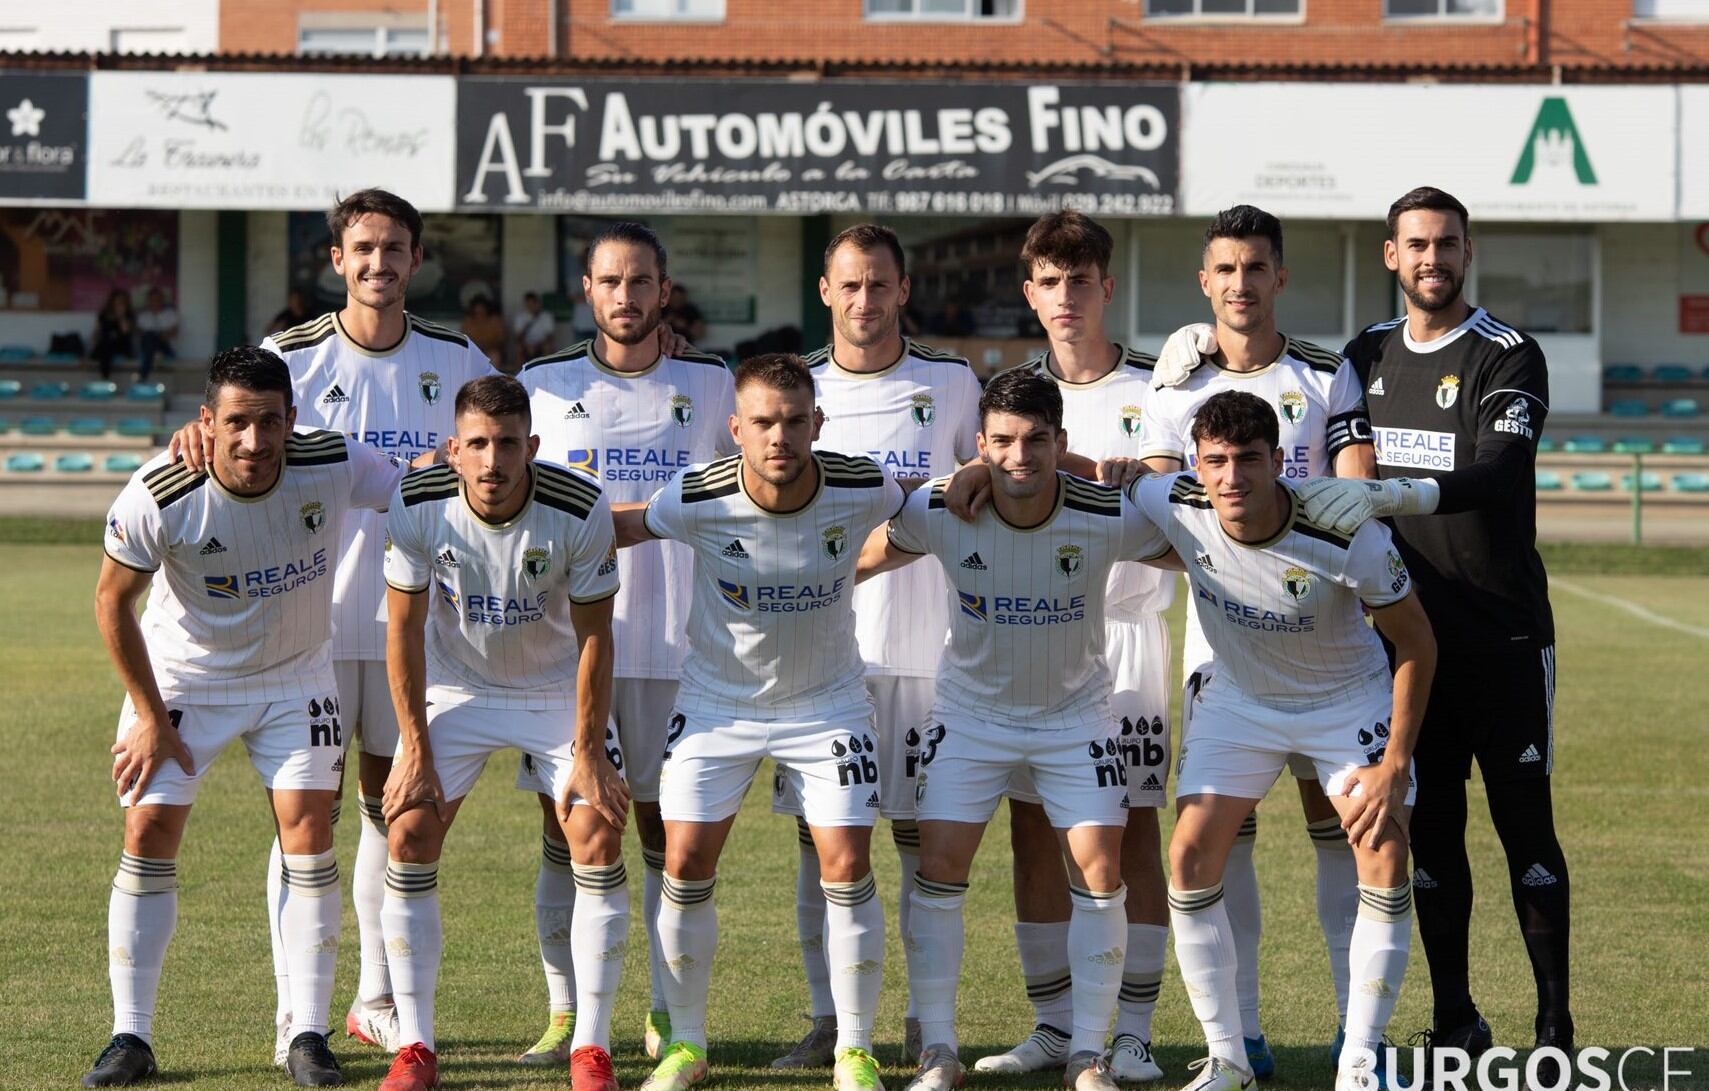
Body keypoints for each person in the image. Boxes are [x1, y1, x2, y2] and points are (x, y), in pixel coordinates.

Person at [175, 188, 496, 1064]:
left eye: (394, 248)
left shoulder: (456, 354)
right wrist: (190, 433)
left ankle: (373, 998)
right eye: (363, 248)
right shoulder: (292, 355)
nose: (378, 263)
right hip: (304, 626)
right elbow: (228, 420)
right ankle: (296, 1015)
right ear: (337, 259)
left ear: (415, 260)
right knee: (303, 822)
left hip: (412, 624)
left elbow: (494, 446)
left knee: (391, 813)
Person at [1297, 187, 1573, 1078]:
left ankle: (1554, 1031)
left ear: (1467, 251)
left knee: (1525, 830)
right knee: (1434, 833)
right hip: (1410, 643)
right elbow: (1317, 430)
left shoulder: (1507, 353)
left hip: (1503, 639)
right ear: (1390, 255)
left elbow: (1499, 470)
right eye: (1415, 244)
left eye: (1446, 243)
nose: (1431, 258)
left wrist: (1397, 492)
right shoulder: (1363, 353)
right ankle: (1455, 1019)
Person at [82, 346, 409, 1089]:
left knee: (311, 831)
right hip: (185, 680)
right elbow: (111, 601)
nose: (254, 442)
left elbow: (415, 490)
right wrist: (147, 713)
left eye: (269, 422)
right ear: (206, 422)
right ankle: (129, 1035)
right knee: (147, 830)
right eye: (236, 423)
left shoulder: (331, 461)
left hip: (296, 679)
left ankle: (307, 1033)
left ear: (294, 420)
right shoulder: (160, 491)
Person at [857, 368, 1176, 1091]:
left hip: (1075, 719)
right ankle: (939, 1052)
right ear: (979, 445)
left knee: (1101, 872)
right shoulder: (941, 507)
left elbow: (1208, 551)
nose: (1019, 455)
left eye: (1036, 439)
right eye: (1001, 441)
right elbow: (853, 562)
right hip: (969, 719)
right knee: (938, 868)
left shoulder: (1106, 512)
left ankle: (1087, 1056)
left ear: (1061, 443)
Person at [612, 354, 905, 1091]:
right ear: (735, 427)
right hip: (715, 706)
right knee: (683, 865)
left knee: (847, 864)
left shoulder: (862, 484)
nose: (780, 436)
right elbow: (624, 529)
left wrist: (970, 479)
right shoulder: (695, 493)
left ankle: (856, 1050)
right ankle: (686, 1043)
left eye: (794, 420)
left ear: (817, 423)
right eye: (763, 422)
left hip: (828, 704)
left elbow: (929, 511)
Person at [1127, 390, 1435, 1091]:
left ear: (1277, 461)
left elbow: (1416, 640)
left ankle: (1359, 1054)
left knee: (1382, 847)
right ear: (1196, 465)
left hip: (1343, 701)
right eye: (1215, 461)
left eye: (1247, 460)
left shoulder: (1343, 529)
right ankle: (1228, 1057)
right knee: (1189, 850)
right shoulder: (1173, 501)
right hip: (1242, 699)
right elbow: (1104, 475)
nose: (1230, 476)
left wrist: (1394, 763)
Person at [1145, 205, 1377, 1077]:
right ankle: (1237, 1035)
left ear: (1279, 276)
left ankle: (1357, 1034)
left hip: (1328, 646)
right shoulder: (1173, 384)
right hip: (1223, 648)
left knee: (1340, 830)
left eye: (1255, 268)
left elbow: (1356, 499)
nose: (1240, 284)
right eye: (1223, 270)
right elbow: (1163, 521)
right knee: (1217, 839)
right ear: (1204, 283)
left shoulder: (1326, 374)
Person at [513, 221, 736, 1066]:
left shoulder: (711, 384)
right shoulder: (540, 383)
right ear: (587, 290)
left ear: (663, 291)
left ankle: (663, 1009)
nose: (626, 297)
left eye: (641, 282)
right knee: (569, 832)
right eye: (610, 282)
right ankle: (568, 1012)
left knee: (663, 839)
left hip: (685, 651)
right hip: (568, 652)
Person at [962, 212, 1176, 1083]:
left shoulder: (1153, 390)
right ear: (1029, 293)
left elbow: (1175, 505)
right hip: (1028, 638)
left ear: (1105, 289)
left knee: (1127, 836)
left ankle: (1131, 1029)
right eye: (1048, 283)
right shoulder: (1009, 392)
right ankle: (1053, 1024)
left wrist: (1119, 473)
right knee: (1028, 832)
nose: (1064, 298)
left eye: (1079, 281)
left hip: (1122, 641)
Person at [375, 375, 625, 1091]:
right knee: (409, 831)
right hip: (460, 687)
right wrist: (415, 745)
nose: (492, 461)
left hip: (553, 689)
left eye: (507, 443)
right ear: (453, 449)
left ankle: (591, 1048)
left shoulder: (578, 506)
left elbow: (595, 638)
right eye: (477, 444)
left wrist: (586, 751)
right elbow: (403, 626)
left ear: (532, 446)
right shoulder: (419, 501)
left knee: (598, 832)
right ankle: (416, 1045)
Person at [774, 223, 981, 1071]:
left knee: (921, 845)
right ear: (825, 291)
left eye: (879, 285)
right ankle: (828, 1017)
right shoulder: (795, 391)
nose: (864, 301)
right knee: (819, 841)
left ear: (903, 291)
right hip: (821, 661)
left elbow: (983, 487)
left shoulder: (952, 382)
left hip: (932, 649)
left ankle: (928, 1024)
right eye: (848, 286)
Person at [92, 288, 136, 381]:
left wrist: (121, 316)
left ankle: (105, 378)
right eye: (117, 300)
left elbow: (125, 332)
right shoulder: (104, 314)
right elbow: (97, 332)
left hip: (121, 345)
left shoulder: (128, 315)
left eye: (122, 301)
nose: (119, 303)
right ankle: (104, 378)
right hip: (105, 344)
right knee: (105, 345)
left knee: (108, 345)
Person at [135, 287, 179, 381]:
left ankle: (143, 375)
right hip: (148, 348)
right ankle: (146, 371)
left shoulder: (170, 314)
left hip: (165, 348)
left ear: (162, 300)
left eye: (157, 299)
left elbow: (173, 332)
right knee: (150, 338)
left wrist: (157, 336)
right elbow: (140, 334)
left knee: (151, 337)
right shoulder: (143, 316)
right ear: (148, 301)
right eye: (152, 300)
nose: (155, 302)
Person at [513, 290, 557, 366]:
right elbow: (518, 337)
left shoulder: (546, 316)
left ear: (538, 303)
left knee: (548, 347)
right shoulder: (520, 317)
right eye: (528, 304)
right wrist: (527, 346)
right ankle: (519, 374)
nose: (531, 307)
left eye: (533, 304)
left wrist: (537, 346)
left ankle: (547, 372)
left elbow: (550, 336)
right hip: (526, 345)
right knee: (519, 349)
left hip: (541, 344)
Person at [461, 295, 506, 370]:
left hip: (491, 350)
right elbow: (463, 338)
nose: (479, 311)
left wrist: (489, 345)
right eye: (477, 308)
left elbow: (501, 338)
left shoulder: (495, 320)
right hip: (473, 351)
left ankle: (491, 379)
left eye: (482, 308)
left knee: (495, 356)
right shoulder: (468, 321)